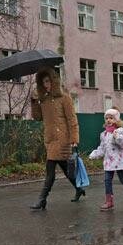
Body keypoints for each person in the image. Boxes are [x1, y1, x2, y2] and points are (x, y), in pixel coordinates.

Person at [29, 67, 85, 210]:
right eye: (43, 82)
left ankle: (42, 199)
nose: (46, 85)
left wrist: (74, 139)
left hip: (63, 139)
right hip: (50, 139)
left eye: (48, 81)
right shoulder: (44, 100)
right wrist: (34, 101)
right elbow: (38, 117)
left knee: (50, 170)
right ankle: (79, 188)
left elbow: (72, 119)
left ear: (54, 81)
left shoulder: (65, 98)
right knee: (66, 169)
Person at [89, 108, 123, 211]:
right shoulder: (104, 134)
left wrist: (117, 137)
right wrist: (94, 154)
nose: (108, 120)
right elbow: (102, 148)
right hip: (108, 161)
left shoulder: (120, 131)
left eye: (111, 118)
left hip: (119, 161)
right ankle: (109, 201)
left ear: (116, 120)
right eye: (106, 118)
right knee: (107, 180)